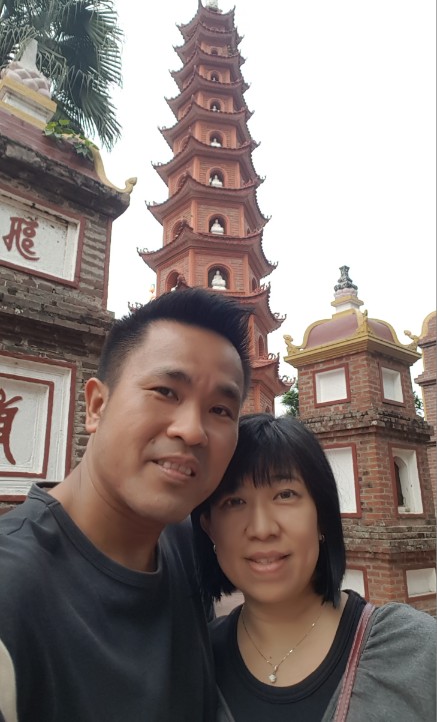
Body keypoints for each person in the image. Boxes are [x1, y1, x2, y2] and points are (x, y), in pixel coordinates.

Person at [0, 288, 252, 722]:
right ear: (97, 406)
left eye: (220, 410)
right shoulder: (12, 590)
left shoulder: (189, 545)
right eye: (166, 391)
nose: (193, 431)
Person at [192, 413, 436, 722]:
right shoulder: (196, 664)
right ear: (209, 527)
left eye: (285, 495)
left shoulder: (415, 649)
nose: (262, 529)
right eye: (234, 502)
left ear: (322, 515)